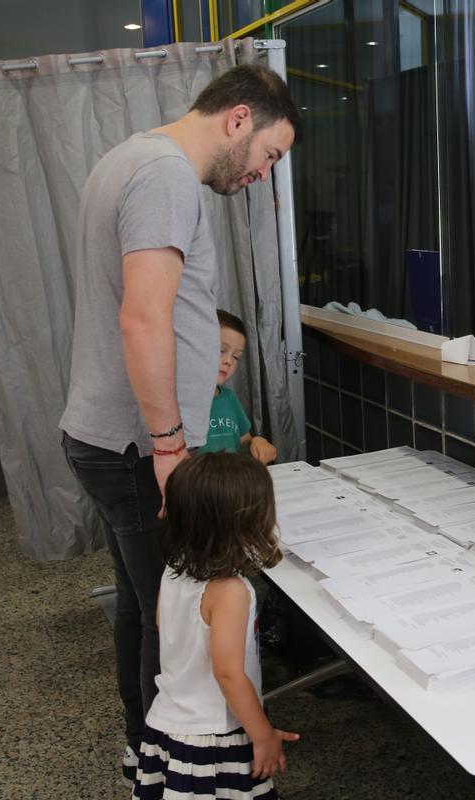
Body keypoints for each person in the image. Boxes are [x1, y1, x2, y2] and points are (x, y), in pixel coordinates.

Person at [59, 65, 300, 785]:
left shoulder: (130, 158)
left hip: (111, 435)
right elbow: (143, 317)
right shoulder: (165, 176)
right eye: (270, 155)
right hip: (139, 443)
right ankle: (166, 759)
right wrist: (169, 444)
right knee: (170, 611)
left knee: (143, 599)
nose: (263, 174)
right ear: (238, 120)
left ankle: (144, 741)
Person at [134, 451, 298, 799]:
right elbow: (229, 674)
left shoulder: (176, 566)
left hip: (170, 718)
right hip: (214, 733)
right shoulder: (229, 592)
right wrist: (262, 734)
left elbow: (164, 624)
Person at [201, 310, 277, 463]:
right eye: (221, 350)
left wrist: (258, 442)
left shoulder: (229, 398)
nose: (228, 361)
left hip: (233, 482)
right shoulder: (180, 403)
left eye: (236, 356)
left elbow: (244, 441)